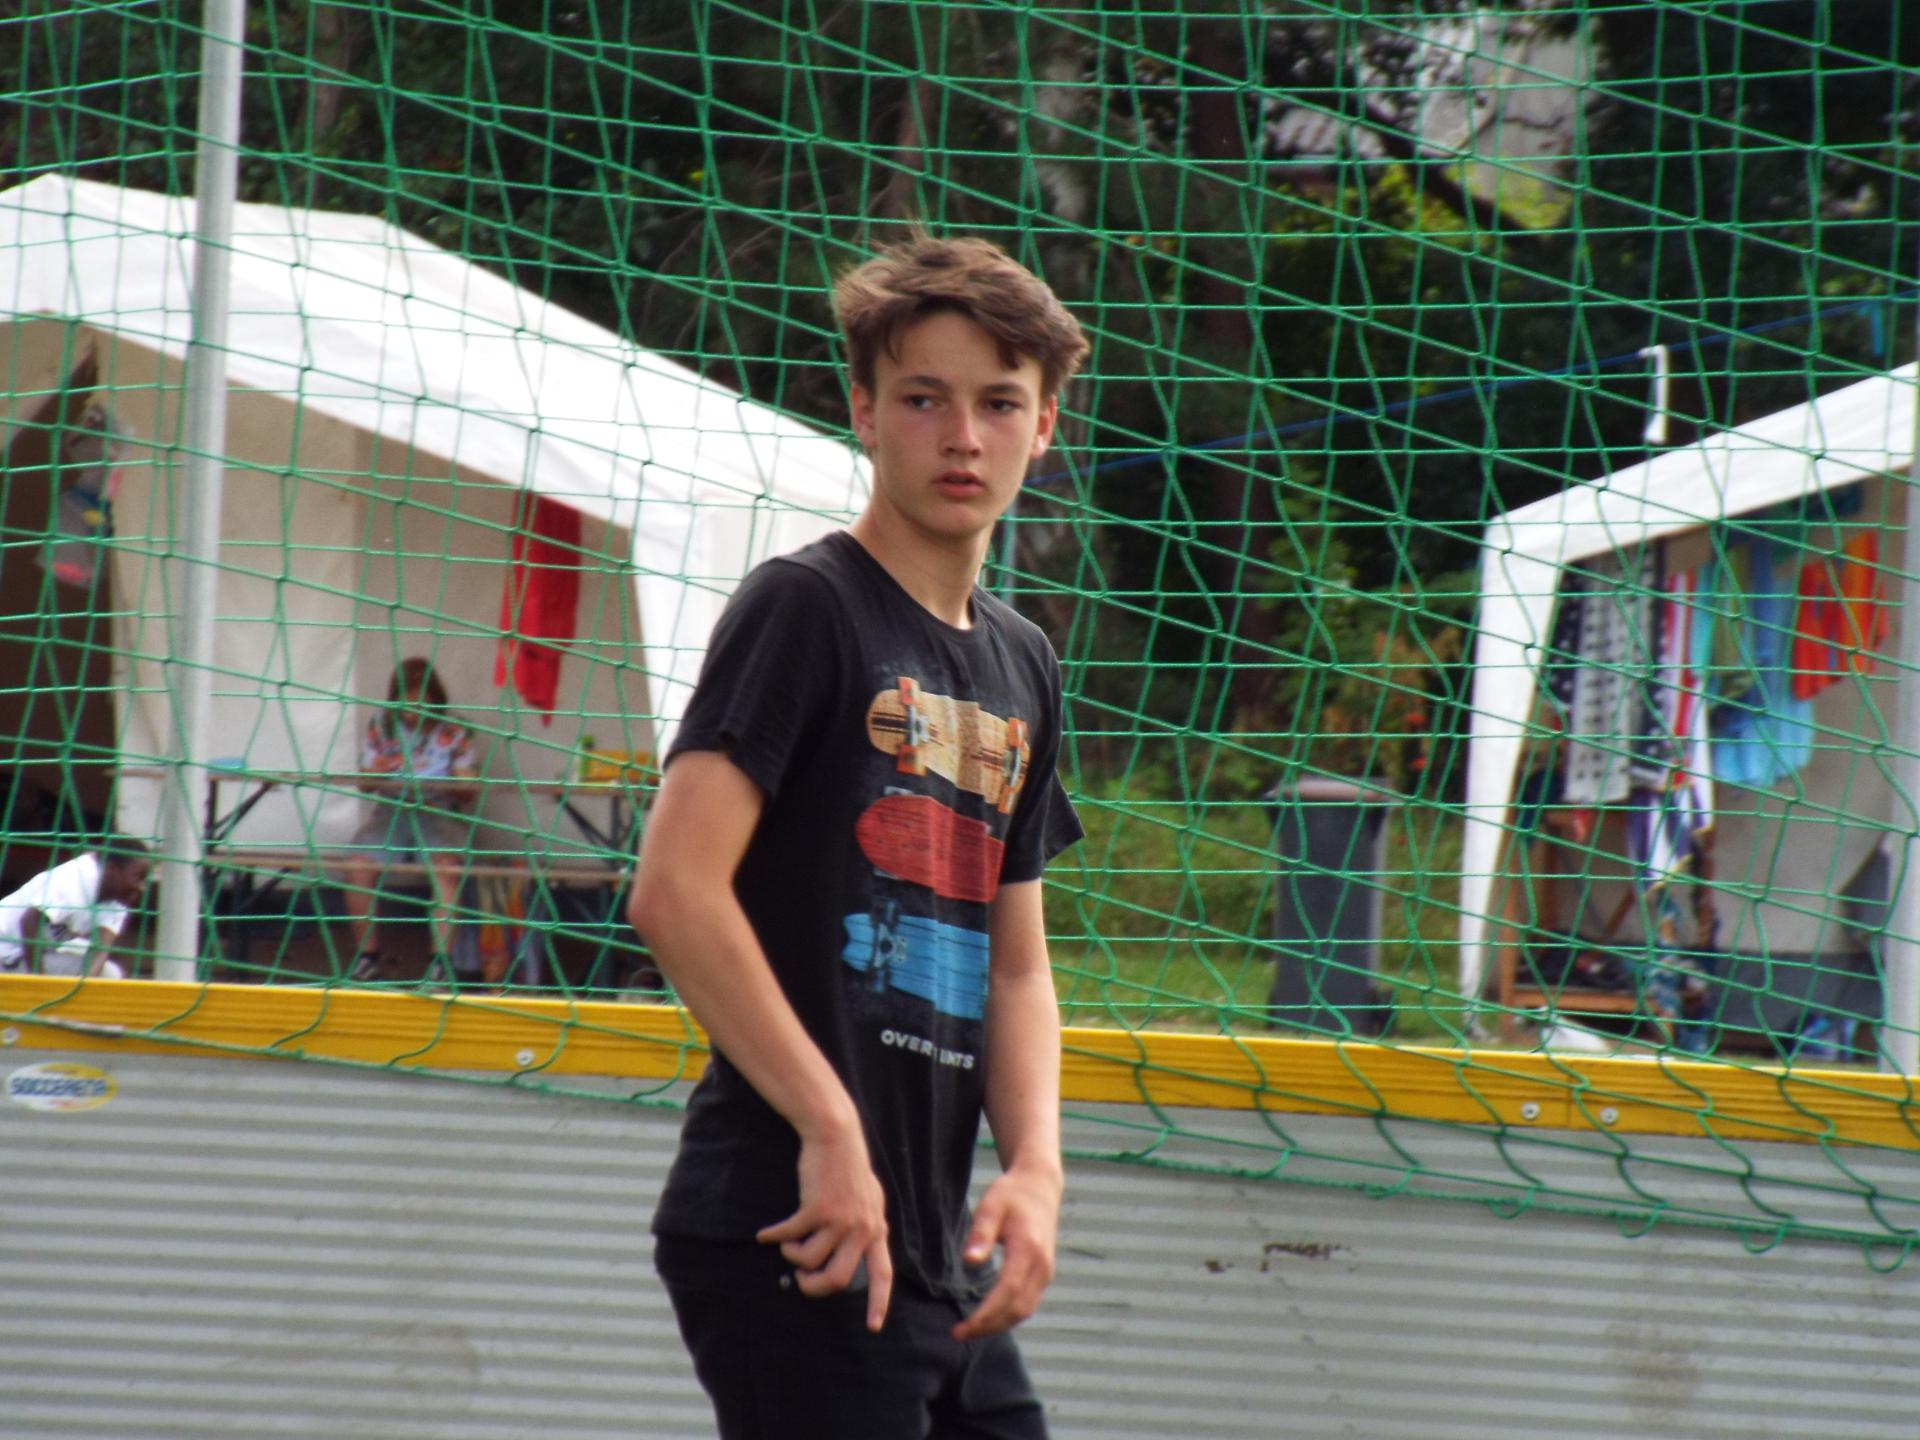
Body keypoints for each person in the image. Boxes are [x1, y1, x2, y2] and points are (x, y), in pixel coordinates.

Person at [628, 234, 1088, 1440]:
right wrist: (828, 1127)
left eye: (1000, 404)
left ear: (1045, 426)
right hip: (797, 1220)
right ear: (865, 413)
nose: (963, 437)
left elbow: (1016, 967)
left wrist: (1036, 1170)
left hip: (933, 1247)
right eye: (924, 399)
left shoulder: (1023, 662)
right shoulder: (806, 606)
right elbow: (676, 890)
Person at [343, 657, 481, 985]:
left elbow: (469, 793)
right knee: (356, 866)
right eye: (406, 704)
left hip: (437, 811)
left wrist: (454, 781)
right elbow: (364, 784)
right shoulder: (382, 724)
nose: (413, 713)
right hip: (391, 810)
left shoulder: (456, 730)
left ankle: (440, 965)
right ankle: (367, 959)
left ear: (435, 699)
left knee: (447, 870)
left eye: (421, 703)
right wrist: (377, 772)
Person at [0, 838, 151, 979]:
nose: (142, 887)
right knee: (108, 973)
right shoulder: (75, 879)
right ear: (112, 868)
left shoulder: (117, 897)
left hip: (25, 956)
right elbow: (29, 920)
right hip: (6, 955)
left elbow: (100, 948)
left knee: (97, 963)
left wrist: (85, 986)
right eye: (138, 877)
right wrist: (39, 982)